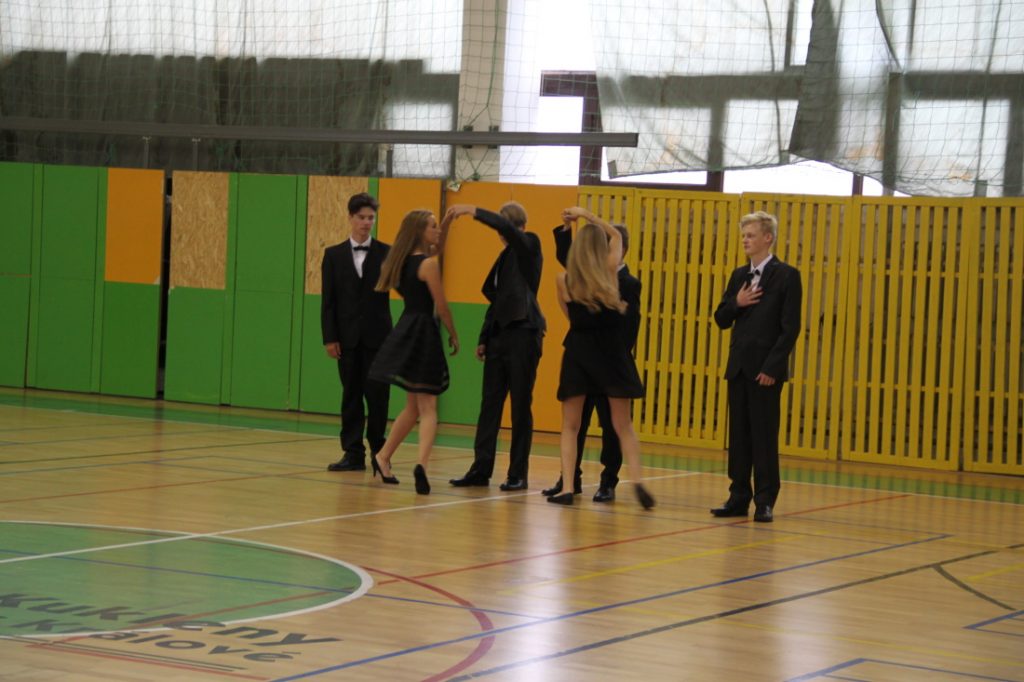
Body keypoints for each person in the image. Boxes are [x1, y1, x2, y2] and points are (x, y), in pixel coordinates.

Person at [547, 207, 654, 510]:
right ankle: (638, 481)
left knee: (570, 425)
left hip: (578, 352)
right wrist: (588, 215)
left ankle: (568, 487)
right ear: (602, 249)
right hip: (609, 354)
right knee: (623, 425)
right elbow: (616, 235)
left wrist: (572, 223)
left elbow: (570, 317)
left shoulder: (564, 280)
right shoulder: (609, 274)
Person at [446, 201, 545, 492]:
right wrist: (484, 337)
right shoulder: (505, 256)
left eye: (503, 227)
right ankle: (481, 468)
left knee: (520, 406)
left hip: (524, 334)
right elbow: (498, 299)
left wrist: (474, 211)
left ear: (511, 227)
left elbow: (508, 229)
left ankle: (518, 473)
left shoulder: (530, 244)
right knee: (489, 404)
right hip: (500, 337)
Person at [711, 211, 802, 523]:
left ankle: (765, 500)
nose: (745, 240)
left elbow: (790, 328)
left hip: (766, 371)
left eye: (750, 235)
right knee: (738, 437)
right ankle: (738, 496)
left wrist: (773, 368)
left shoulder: (787, 276)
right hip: (738, 367)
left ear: (768, 238)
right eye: (743, 235)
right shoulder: (739, 275)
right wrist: (736, 303)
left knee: (763, 437)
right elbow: (721, 319)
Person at [368, 209, 459, 495]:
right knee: (429, 407)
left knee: (413, 407)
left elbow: (437, 247)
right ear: (420, 231)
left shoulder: (401, 261)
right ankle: (421, 465)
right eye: (433, 226)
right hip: (424, 332)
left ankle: (383, 456)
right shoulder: (428, 265)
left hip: (406, 328)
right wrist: (453, 333)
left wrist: (447, 222)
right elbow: (441, 305)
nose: (437, 231)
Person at [321, 193, 392, 472]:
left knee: (378, 396)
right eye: (361, 217)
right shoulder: (333, 255)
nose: (366, 223)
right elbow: (329, 301)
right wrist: (330, 337)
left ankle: (379, 452)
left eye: (370, 218)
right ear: (350, 218)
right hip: (347, 338)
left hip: (379, 338)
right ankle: (352, 452)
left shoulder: (386, 252)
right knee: (350, 395)